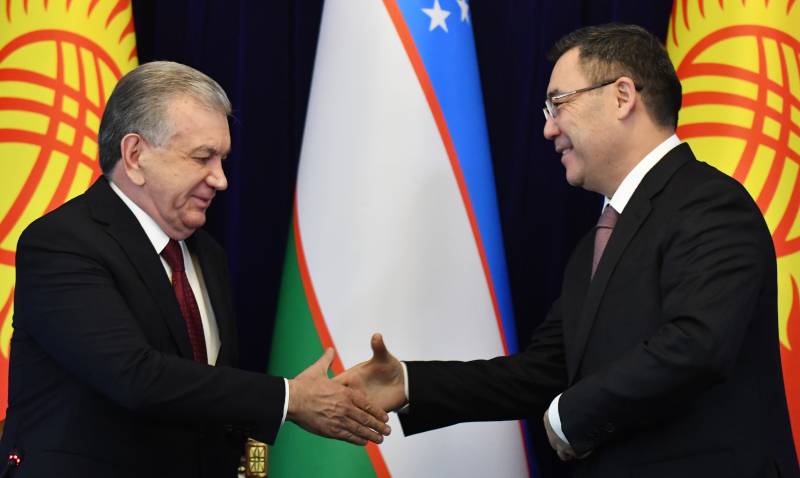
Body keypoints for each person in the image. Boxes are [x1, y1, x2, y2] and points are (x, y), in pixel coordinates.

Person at [337, 24, 799, 478]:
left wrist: (570, 415)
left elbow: (697, 346)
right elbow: (544, 371)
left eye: (558, 104)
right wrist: (410, 383)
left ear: (622, 96)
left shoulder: (709, 203)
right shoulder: (597, 240)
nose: (547, 129)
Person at [1, 61, 389, 478]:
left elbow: (204, 392)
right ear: (135, 156)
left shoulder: (206, 252)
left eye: (222, 159)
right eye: (203, 157)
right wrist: (289, 397)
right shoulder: (63, 243)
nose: (220, 179)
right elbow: (137, 378)